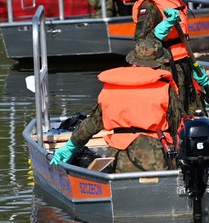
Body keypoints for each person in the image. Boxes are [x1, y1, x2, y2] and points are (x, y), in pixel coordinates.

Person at [50, 38, 186, 172]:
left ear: (133, 60)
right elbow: (178, 127)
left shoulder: (111, 87)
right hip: (155, 159)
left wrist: (71, 145)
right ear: (160, 63)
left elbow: (92, 124)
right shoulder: (165, 89)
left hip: (118, 158)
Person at [120, 0, 209, 115]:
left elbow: (182, 42)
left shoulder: (175, 2)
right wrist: (160, 30)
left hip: (183, 64)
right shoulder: (149, 6)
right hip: (164, 66)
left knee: (194, 109)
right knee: (172, 112)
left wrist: (195, 67)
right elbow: (141, 44)